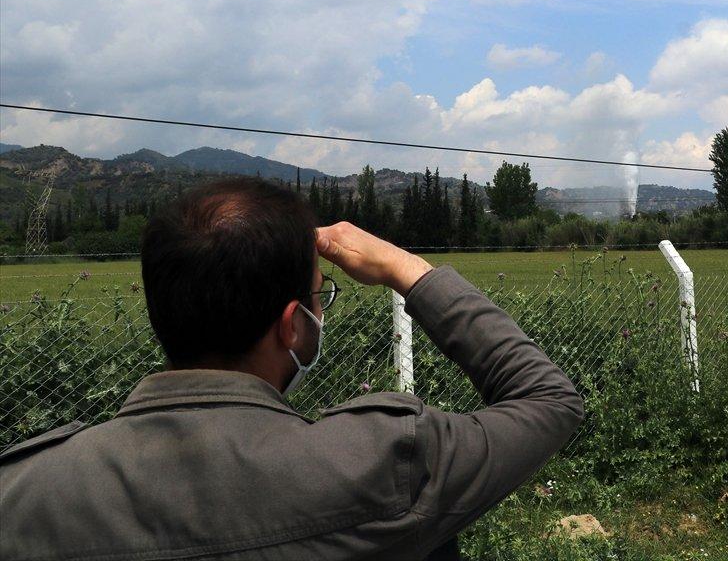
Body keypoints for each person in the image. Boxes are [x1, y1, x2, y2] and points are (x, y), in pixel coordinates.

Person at [0, 177, 584, 560]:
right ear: (293, 326)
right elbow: (548, 400)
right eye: (318, 297)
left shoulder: (24, 492)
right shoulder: (386, 463)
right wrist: (407, 269)